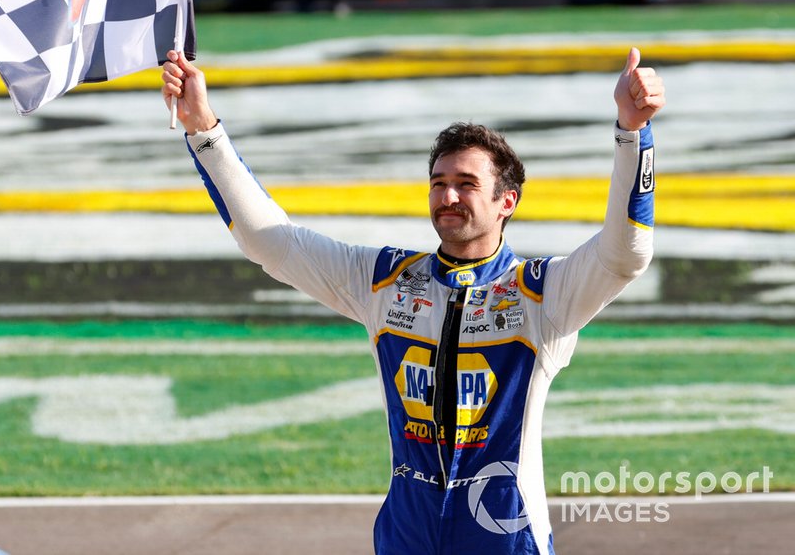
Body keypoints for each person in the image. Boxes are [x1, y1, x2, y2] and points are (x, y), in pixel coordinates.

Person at [160, 47, 665, 555]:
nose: (447, 198)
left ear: (506, 201)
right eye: (439, 184)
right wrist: (203, 128)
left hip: (503, 538)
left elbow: (626, 254)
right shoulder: (384, 280)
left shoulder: (543, 292)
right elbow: (269, 242)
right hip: (406, 534)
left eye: (467, 185)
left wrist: (632, 132)